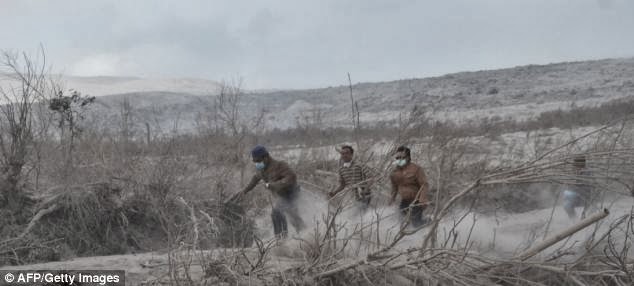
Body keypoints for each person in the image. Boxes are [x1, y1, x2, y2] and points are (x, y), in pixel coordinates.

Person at [234, 145, 305, 238]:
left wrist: (273, 185)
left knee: (278, 212)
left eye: (258, 161)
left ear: (266, 157)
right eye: (255, 161)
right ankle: (283, 238)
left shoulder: (280, 165)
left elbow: (291, 178)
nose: (257, 163)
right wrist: (244, 191)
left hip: (291, 194)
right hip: (282, 197)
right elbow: (255, 179)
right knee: (285, 215)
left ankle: (285, 238)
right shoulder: (262, 170)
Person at [389, 146, 430, 228]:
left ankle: (430, 223)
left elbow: (424, 184)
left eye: (402, 157)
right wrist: (392, 199)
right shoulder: (394, 172)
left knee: (416, 222)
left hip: (417, 200)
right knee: (401, 221)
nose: (399, 160)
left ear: (408, 157)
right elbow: (394, 187)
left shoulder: (416, 169)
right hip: (405, 201)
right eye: (397, 158)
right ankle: (407, 239)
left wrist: (423, 199)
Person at [328, 145, 376, 212]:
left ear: (351, 154)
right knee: (353, 213)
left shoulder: (359, 165)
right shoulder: (341, 169)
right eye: (343, 153)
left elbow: (371, 177)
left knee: (361, 212)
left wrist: (365, 189)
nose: (345, 155)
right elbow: (342, 185)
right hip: (352, 196)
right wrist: (334, 192)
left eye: (347, 153)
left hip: (363, 194)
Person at [562, 155, 594, 219]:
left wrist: (576, 186)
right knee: (567, 205)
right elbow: (569, 182)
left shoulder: (588, 172)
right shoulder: (573, 171)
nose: (575, 165)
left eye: (577, 163)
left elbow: (587, 184)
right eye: (575, 163)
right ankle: (573, 219)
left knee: (587, 211)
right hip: (575, 196)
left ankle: (585, 219)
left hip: (585, 196)